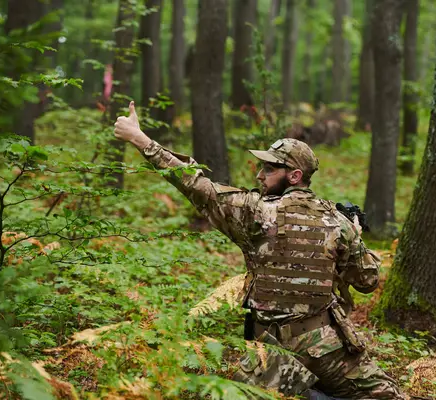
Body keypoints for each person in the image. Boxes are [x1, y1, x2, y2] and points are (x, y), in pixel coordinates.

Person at [113, 102, 404, 399]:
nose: (259, 176)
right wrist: (354, 235)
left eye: (269, 168)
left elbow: (195, 184)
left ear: (294, 176)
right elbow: (367, 281)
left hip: (267, 350)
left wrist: (139, 138)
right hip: (323, 345)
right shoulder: (337, 221)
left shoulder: (255, 213)